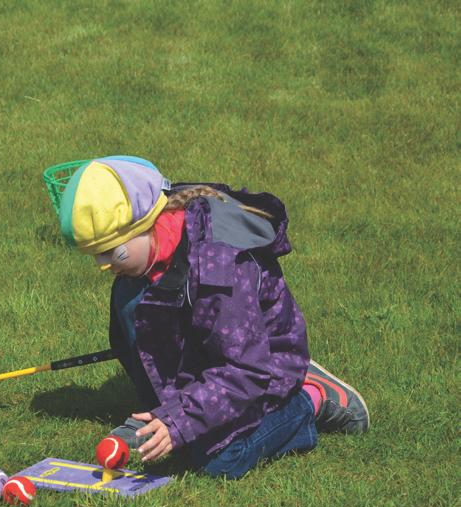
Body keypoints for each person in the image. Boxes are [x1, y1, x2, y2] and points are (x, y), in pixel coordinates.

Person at [58, 155, 369, 479]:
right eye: (96, 255)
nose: (104, 265)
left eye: (113, 252)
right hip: (216, 350)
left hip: (263, 362)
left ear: (148, 224)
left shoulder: (220, 267)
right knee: (129, 294)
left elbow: (245, 369)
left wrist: (180, 421)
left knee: (219, 459)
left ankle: (312, 397)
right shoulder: (149, 253)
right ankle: (164, 412)